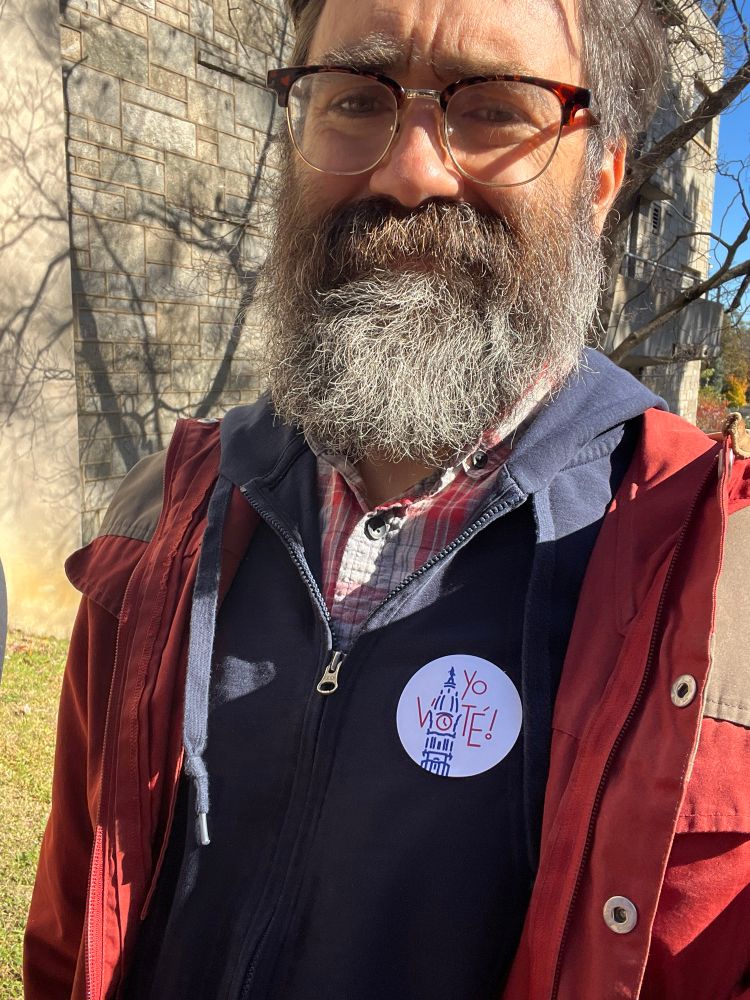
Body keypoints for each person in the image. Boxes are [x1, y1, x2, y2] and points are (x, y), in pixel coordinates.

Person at [24, 0, 750, 997]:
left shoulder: (726, 593)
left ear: (600, 183)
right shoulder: (168, 508)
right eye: (357, 97)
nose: (409, 170)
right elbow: (74, 933)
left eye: (494, 109)